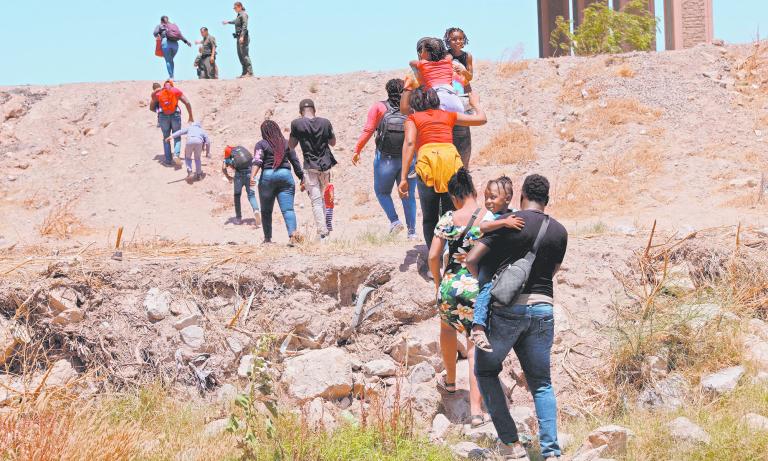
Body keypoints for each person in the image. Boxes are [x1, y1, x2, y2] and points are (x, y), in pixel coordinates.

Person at [466, 174, 568, 461]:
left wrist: (489, 286)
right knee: (542, 383)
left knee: (485, 371)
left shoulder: (511, 223)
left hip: (508, 310)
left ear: (521, 196)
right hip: (544, 307)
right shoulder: (559, 231)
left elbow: (472, 259)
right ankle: (551, 453)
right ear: (547, 200)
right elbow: (552, 271)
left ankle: (511, 445)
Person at [428, 168, 524, 429]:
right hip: (477, 286)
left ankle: (449, 382)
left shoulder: (448, 217)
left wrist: (439, 284)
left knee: (447, 330)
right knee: (473, 348)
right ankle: (476, 411)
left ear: (454, 196)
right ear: (472, 191)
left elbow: (433, 257)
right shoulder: (489, 216)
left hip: (450, 286)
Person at [398, 87, 486, 248]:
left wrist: (403, 177)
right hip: (451, 164)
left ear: (414, 103)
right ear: (436, 101)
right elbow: (481, 119)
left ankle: (435, 259)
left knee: (430, 217)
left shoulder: (413, 119)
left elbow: (410, 143)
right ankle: (451, 255)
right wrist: (475, 103)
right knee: (450, 213)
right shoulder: (448, 115)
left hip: (428, 165)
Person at [353, 78, 417, 239]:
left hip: (385, 159)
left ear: (387, 91)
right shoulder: (412, 108)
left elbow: (368, 130)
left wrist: (357, 150)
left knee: (381, 192)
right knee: (407, 194)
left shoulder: (379, 107)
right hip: (408, 158)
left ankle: (395, 221)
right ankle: (412, 232)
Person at [471, 176, 524, 352]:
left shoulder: (514, 212)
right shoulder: (491, 216)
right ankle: (478, 328)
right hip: (488, 264)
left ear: (507, 198)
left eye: (493, 197)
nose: (488, 201)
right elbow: (483, 227)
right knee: (486, 291)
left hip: (502, 264)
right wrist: (504, 222)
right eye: (486, 197)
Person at [289, 99, 337, 241]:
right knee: (324, 198)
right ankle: (325, 230)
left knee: (316, 201)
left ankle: (323, 233)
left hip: (310, 167)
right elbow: (333, 142)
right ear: (314, 110)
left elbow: (291, 145)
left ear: (300, 112)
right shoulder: (325, 122)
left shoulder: (297, 123)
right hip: (326, 166)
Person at [250, 120, 303, 245]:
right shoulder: (286, 143)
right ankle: (293, 237)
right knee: (288, 210)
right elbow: (295, 161)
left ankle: (268, 239)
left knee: (266, 210)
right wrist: (302, 178)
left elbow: (257, 160)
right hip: (285, 176)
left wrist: (252, 176)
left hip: (268, 176)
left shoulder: (261, 144)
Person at [408, 37, 464, 113]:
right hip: (454, 100)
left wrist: (422, 60)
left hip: (435, 100)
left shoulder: (422, 64)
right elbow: (450, 56)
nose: (421, 53)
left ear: (427, 53)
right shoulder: (448, 61)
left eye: (422, 51)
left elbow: (411, 62)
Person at [444, 27, 474, 166]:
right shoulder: (445, 56)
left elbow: (470, 77)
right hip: (450, 94)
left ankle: (464, 163)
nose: (457, 41)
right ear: (448, 41)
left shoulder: (467, 56)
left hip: (462, 94)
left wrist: (463, 71)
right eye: (454, 39)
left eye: (460, 38)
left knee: (463, 128)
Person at [150, 80, 194, 166]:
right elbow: (187, 102)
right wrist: (190, 116)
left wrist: (160, 111)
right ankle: (176, 155)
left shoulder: (159, 93)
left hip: (163, 117)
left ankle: (168, 160)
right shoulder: (176, 90)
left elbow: (151, 107)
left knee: (166, 137)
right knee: (177, 136)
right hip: (175, 115)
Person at [222, 146, 260, 225]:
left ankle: (238, 218)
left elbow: (223, 168)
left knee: (237, 196)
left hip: (239, 176)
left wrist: (228, 176)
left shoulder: (229, 157)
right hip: (250, 174)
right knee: (251, 195)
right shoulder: (241, 150)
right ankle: (256, 210)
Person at [222, 2, 253, 78]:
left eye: (235, 8)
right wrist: (228, 22)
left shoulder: (244, 14)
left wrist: (242, 36)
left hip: (243, 37)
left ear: (240, 7)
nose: (234, 9)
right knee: (240, 55)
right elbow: (235, 21)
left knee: (244, 55)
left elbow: (245, 26)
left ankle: (250, 72)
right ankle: (244, 72)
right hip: (238, 37)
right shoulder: (239, 15)